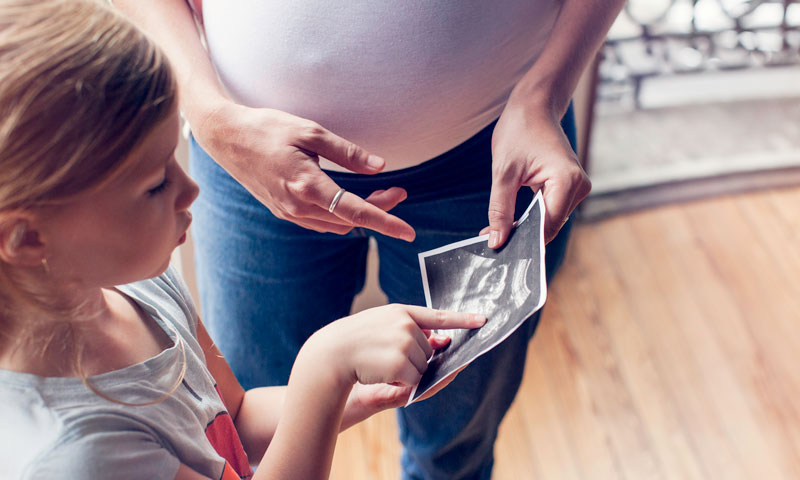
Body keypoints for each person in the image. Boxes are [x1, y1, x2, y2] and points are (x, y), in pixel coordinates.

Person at [115, 1, 626, 478]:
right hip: (246, 149)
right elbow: (243, 426)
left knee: (454, 440)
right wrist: (209, 116)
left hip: (491, 158)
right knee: (252, 424)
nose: (182, 197)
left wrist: (546, 93)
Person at [0, 1, 485, 478]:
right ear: (25, 239)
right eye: (154, 185)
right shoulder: (79, 457)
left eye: (174, 158)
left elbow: (234, 415)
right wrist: (324, 368)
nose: (191, 190)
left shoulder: (137, 287)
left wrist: (347, 395)